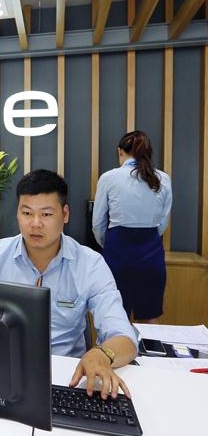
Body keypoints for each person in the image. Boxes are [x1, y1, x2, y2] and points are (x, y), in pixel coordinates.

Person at [0, 169, 138, 398]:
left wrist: (100, 354)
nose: (35, 223)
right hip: (3, 374)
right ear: (17, 213)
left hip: (66, 379)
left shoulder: (90, 264)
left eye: (46, 214)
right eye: (27, 213)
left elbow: (125, 338)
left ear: (65, 214)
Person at [92, 131, 172, 324]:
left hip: (117, 252)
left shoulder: (109, 178)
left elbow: (97, 223)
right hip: (151, 252)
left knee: (115, 317)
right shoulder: (163, 178)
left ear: (120, 151)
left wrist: (108, 244)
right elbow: (163, 222)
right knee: (151, 317)